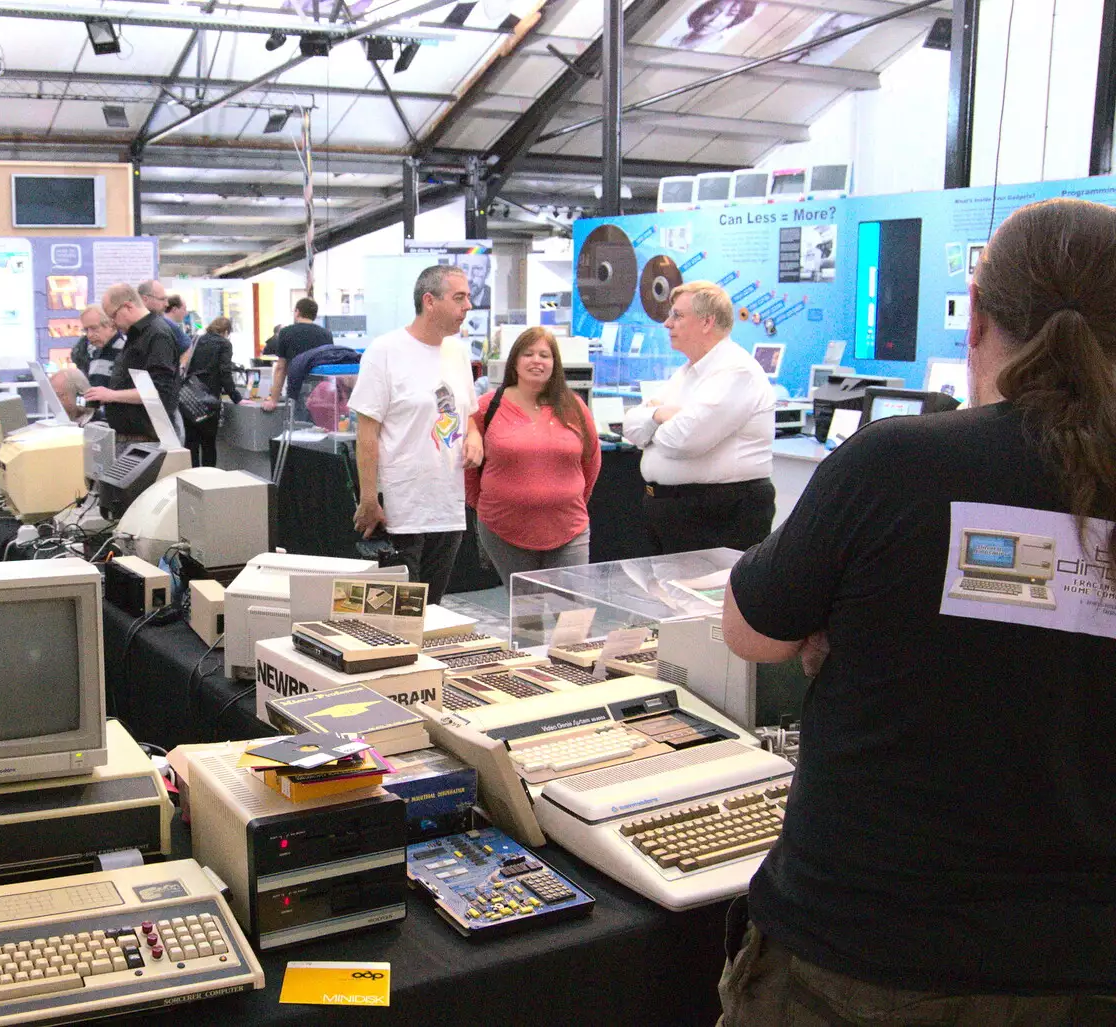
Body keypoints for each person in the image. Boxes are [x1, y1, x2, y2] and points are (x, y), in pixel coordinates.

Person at [717, 198, 1116, 1024]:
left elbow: (750, 630)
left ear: (974, 321)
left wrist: (844, 628)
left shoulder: (898, 464)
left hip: (863, 956)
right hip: (1082, 963)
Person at [349, 265, 482, 604]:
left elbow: (468, 414)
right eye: (459, 297)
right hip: (401, 509)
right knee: (399, 615)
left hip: (447, 506)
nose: (468, 306)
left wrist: (474, 437)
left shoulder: (458, 352)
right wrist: (368, 498)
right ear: (429, 301)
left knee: (432, 608)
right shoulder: (385, 351)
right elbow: (367, 433)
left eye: (468, 297)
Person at [620, 280, 774, 554]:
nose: (668, 323)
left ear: (707, 322)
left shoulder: (736, 371)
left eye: (677, 315)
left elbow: (682, 441)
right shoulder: (688, 371)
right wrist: (660, 414)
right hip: (674, 512)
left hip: (718, 516)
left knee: (709, 596)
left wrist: (652, 423)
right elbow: (630, 427)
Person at [465, 327, 601, 584]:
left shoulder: (574, 406)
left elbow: (591, 460)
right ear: (515, 361)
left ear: (555, 364)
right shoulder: (487, 405)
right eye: (528, 354)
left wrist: (568, 499)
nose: (536, 360)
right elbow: (468, 463)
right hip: (504, 528)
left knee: (574, 613)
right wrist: (482, 504)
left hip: (569, 527)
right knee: (527, 615)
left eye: (544, 355)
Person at [90, 283, 181, 442]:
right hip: (135, 437)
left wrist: (112, 395)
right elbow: (140, 385)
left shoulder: (157, 335)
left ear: (128, 306)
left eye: (113, 316)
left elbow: (157, 392)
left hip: (149, 439)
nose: (113, 324)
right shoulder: (137, 335)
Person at [182, 316, 244, 467]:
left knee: (191, 444)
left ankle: (191, 480)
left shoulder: (195, 340)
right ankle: (208, 482)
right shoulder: (224, 344)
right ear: (226, 331)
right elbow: (225, 373)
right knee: (209, 444)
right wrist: (237, 397)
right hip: (209, 399)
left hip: (189, 396)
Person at [261, 298, 333, 412]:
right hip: (320, 392)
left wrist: (273, 399)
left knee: (297, 426)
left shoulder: (286, 332)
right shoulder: (326, 334)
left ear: (297, 312)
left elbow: (281, 368)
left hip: (296, 390)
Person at [69, 304, 123, 395]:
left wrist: (111, 396)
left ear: (112, 325)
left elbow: (148, 396)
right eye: (86, 330)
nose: (89, 335)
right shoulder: (92, 352)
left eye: (94, 328)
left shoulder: (129, 350)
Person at [137, 280, 189, 356]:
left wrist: (181, 366)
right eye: (162, 299)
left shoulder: (165, 324)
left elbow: (187, 346)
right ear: (145, 299)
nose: (167, 304)